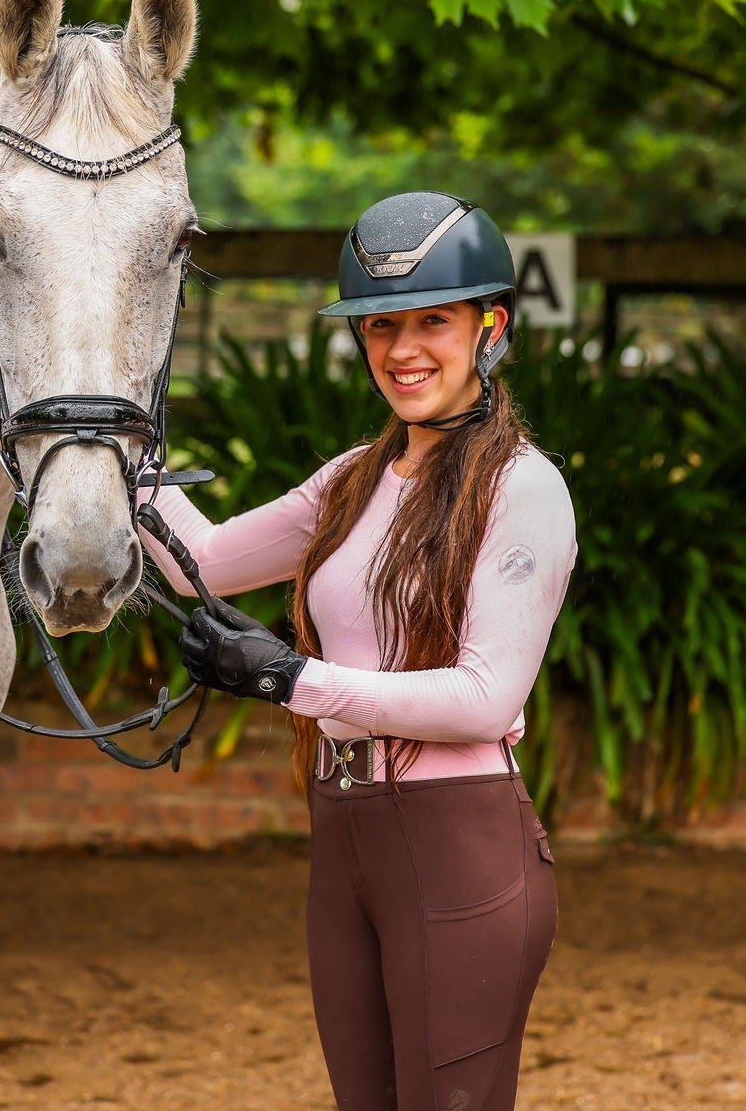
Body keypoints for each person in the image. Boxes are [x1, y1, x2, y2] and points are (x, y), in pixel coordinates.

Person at [143, 191, 577, 1111]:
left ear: (489, 327)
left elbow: (485, 698)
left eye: (432, 321)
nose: (402, 349)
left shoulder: (523, 487)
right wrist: (113, 448)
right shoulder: (354, 475)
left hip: (457, 840)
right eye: (380, 325)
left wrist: (291, 678)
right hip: (341, 835)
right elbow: (206, 562)